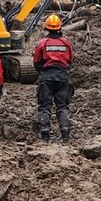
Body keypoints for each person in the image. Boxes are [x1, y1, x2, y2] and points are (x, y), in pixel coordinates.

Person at [33, 14, 74, 142]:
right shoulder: (66, 43)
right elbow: (70, 60)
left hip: (46, 77)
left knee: (45, 106)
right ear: (60, 28)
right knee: (62, 106)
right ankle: (65, 133)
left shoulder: (42, 43)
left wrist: (43, 71)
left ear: (46, 28)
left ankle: (45, 133)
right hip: (62, 77)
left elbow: (36, 61)